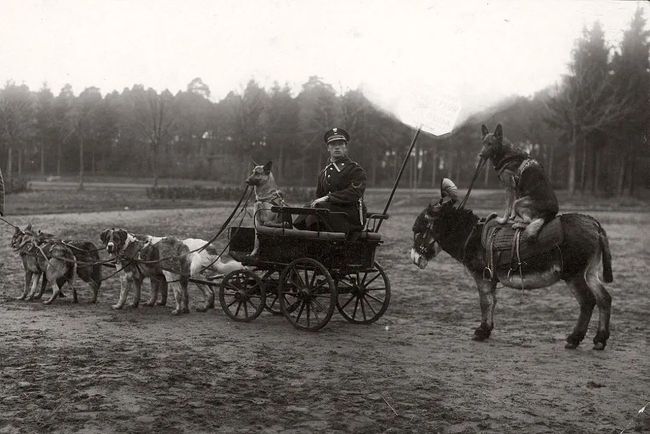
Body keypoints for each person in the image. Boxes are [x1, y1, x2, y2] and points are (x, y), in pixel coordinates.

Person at [295, 127, 367, 233]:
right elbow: (319, 196)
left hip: (349, 215)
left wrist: (328, 198)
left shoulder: (355, 169)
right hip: (328, 212)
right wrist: (318, 201)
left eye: (340, 144)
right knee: (308, 207)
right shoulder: (323, 173)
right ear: (328, 148)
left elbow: (355, 193)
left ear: (345, 147)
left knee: (318, 207)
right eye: (333, 144)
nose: (337, 147)